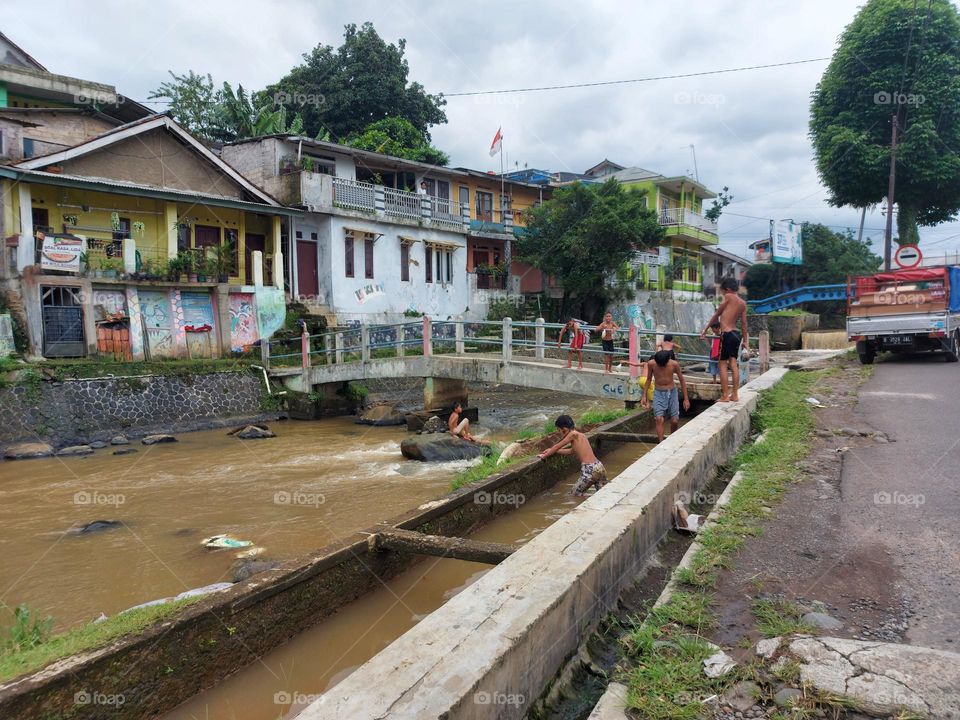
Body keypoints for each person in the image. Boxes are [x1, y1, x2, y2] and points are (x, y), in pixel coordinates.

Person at [700, 277, 749, 403]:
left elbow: (717, 315)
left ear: (727, 289)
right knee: (733, 364)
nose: (721, 293)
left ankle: (725, 395)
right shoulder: (742, 303)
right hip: (736, 334)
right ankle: (735, 395)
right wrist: (746, 341)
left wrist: (705, 330)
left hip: (726, 334)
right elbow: (744, 324)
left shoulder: (728, 297)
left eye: (721, 290)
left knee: (722, 364)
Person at [537, 415, 607, 496]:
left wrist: (543, 456)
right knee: (602, 495)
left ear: (564, 429)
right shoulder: (581, 435)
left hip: (590, 469)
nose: (559, 433)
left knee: (574, 495)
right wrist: (554, 451)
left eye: (558, 430)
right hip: (599, 466)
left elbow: (557, 446)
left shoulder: (572, 434)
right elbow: (571, 451)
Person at [634, 349, 690, 442]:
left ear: (668, 359)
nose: (661, 366)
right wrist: (644, 396)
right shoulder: (651, 363)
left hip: (672, 392)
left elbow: (682, 380)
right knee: (659, 419)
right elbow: (648, 380)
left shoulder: (674, 364)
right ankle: (660, 443)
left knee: (674, 421)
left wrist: (686, 399)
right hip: (658, 392)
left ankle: (672, 439)